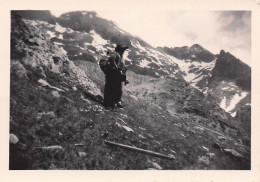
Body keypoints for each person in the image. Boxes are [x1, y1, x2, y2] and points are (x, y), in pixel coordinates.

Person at [104, 44, 129, 108]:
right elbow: (112, 59)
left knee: (117, 89)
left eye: (124, 50)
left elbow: (122, 66)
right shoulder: (116, 54)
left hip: (117, 75)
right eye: (122, 50)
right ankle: (107, 103)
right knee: (110, 88)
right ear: (119, 50)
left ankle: (115, 102)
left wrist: (123, 69)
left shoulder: (121, 57)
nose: (123, 51)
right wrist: (116, 67)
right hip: (112, 75)